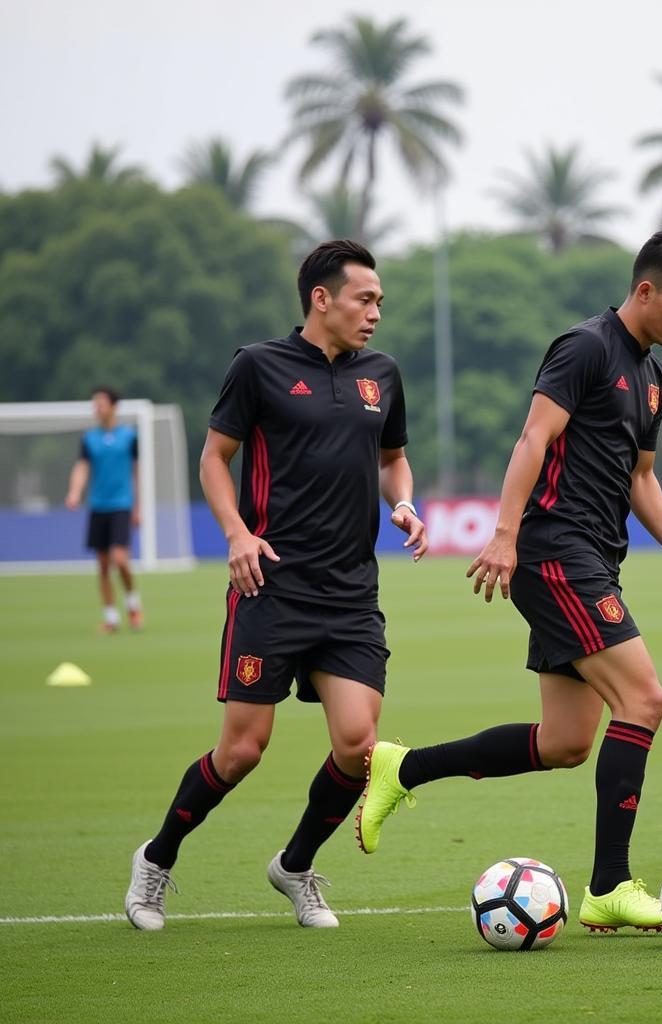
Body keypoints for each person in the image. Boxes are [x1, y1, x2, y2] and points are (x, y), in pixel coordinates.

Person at [356, 228, 662, 933]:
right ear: (645, 290)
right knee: (644, 699)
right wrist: (504, 533)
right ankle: (609, 886)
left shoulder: (655, 377)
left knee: (565, 742)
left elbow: (640, 477)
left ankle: (402, 769)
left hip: (594, 556)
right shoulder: (585, 347)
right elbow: (534, 438)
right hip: (555, 551)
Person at [124, 239, 428, 931]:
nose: (376, 312)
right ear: (322, 298)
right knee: (242, 750)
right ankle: (158, 859)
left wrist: (403, 501)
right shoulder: (257, 366)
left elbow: (395, 459)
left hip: (351, 594)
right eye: (365, 299)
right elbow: (213, 459)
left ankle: (295, 867)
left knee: (359, 746)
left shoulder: (383, 372)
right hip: (272, 587)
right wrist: (236, 534)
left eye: (379, 300)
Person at [65, 387, 144, 633]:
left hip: (121, 505)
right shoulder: (89, 439)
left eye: (100, 403)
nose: (96, 408)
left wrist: (138, 506)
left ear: (114, 406)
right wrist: (75, 491)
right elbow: (82, 467)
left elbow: (136, 472)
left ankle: (132, 602)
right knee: (102, 564)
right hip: (98, 506)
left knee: (120, 560)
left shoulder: (129, 437)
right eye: (94, 404)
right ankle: (111, 618)